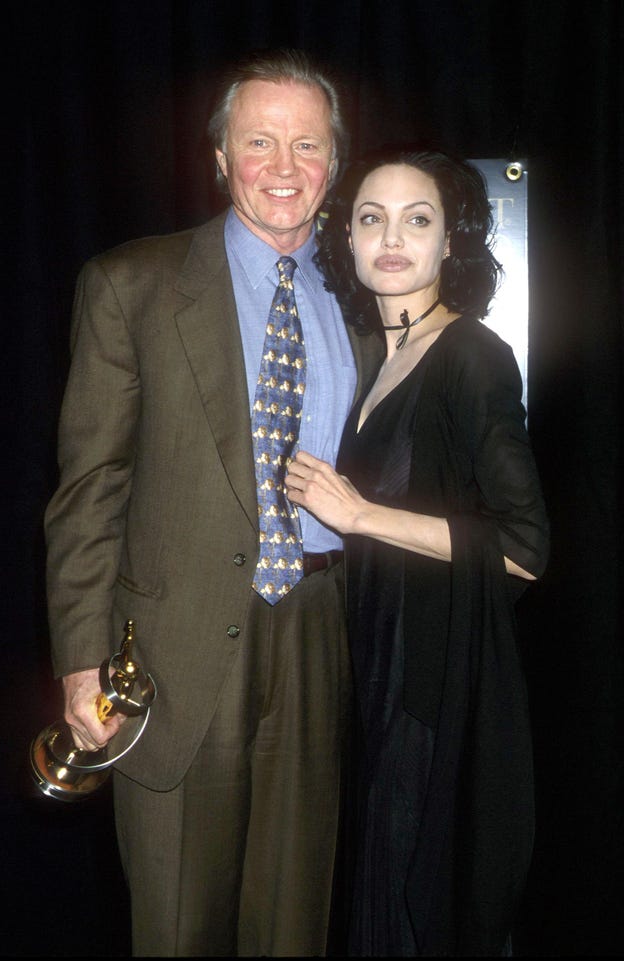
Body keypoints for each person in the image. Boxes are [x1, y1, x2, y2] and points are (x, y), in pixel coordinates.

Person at [43, 49, 382, 957]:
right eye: (259, 141)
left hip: (320, 634)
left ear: (335, 164)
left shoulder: (366, 301)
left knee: (294, 922)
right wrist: (80, 661)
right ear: (222, 157)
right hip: (168, 652)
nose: (284, 165)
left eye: (307, 144)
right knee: (179, 926)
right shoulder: (131, 284)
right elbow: (89, 490)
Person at [285, 146, 550, 956]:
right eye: (372, 218)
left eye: (418, 219)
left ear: (450, 242)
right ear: (348, 238)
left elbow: (524, 546)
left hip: (429, 680)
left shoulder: (472, 355)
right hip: (378, 662)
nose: (392, 238)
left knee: (418, 903)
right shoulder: (384, 353)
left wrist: (362, 514)